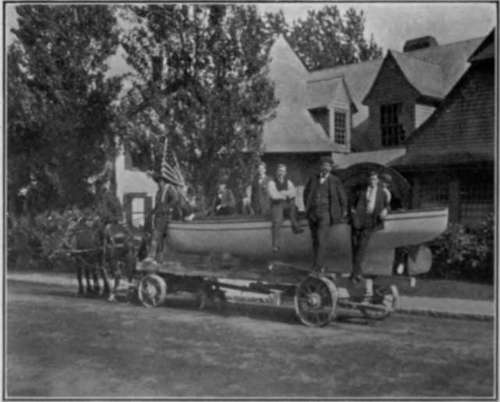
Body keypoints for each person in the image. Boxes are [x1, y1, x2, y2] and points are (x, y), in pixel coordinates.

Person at [303, 156, 348, 271]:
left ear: (331, 168)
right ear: (320, 167)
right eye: (323, 166)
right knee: (315, 240)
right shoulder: (313, 179)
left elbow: (342, 197)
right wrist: (308, 208)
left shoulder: (335, 180)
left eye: (328, 166)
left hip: (326, 213)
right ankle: (318, 264)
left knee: (321, 239)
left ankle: (317, 266)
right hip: (313, 213)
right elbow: (306, 194)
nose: (325, 168)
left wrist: (344, 210)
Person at [350, 171, 390, 291]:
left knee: (362, 245)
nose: (372, 181)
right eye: (370, 179)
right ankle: (357, 272)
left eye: (374, 179)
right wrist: (354, 216)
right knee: (355, 246)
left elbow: (388, 205)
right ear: (368, 180)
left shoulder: (382, 192)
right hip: (358, 220)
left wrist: (385, 210)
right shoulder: (361, 191)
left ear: (378, 180)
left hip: (372, 221)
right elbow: (352, 204)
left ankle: (355, 274)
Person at [268, 163, 304, 252]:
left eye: (283, 171)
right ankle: (275, 245)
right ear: (277, 172)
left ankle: (295, 227)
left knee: (293, 207)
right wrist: (284, 194)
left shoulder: (288, 182)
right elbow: (273, 195)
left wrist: (282, 193)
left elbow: (293, 193)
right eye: (280, 171)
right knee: (277, 221)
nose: (281, 173)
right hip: (277, 205)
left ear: (285, 172)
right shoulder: (271, 182)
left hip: (287, 205)